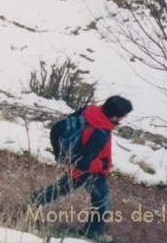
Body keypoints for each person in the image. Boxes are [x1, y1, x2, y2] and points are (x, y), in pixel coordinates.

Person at [29, 96, 133, 242]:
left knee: (63, 187)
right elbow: (85, 163)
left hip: (74, 165)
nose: (123, 119)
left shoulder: (89, 110)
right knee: (102, 201)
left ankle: (35, 200)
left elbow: (62, 127)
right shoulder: (99, 133)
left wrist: (63, 155)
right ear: (114, 116)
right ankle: (93, 232)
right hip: (89, 172)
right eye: (123, 116)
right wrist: (103, 164)